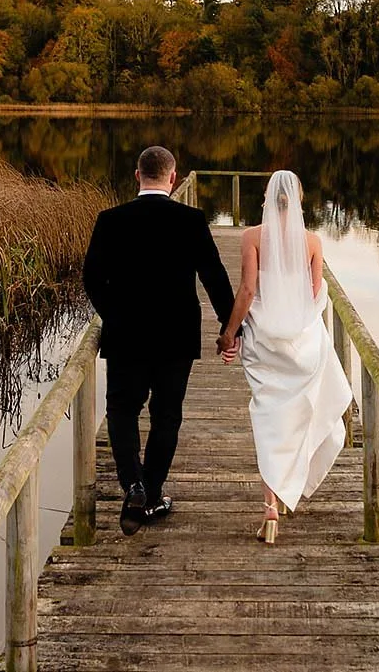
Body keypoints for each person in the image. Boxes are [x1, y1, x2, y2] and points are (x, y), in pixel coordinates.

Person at [82, 146, 236, 535]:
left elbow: (91, 278)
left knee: (122, 409)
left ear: (137, 176)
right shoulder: (191, 219)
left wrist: (114, 314)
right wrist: (229, 327)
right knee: (166, 415)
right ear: (173, 178)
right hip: (175, 335)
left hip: (126, 334)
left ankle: (132, 485)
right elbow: (214, 276)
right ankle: (150, 493)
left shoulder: (110, 220)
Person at [216, 170, 352, 544]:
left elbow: (246, 291)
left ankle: (271, 505)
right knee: (301, 413)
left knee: (269, 419)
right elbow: (312, 296)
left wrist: (230, 333)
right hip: (302, 346)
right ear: (298, 201)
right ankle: (292, 482)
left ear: (267, 198)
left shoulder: (251, 237)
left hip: (265, 344)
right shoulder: (312, 242)